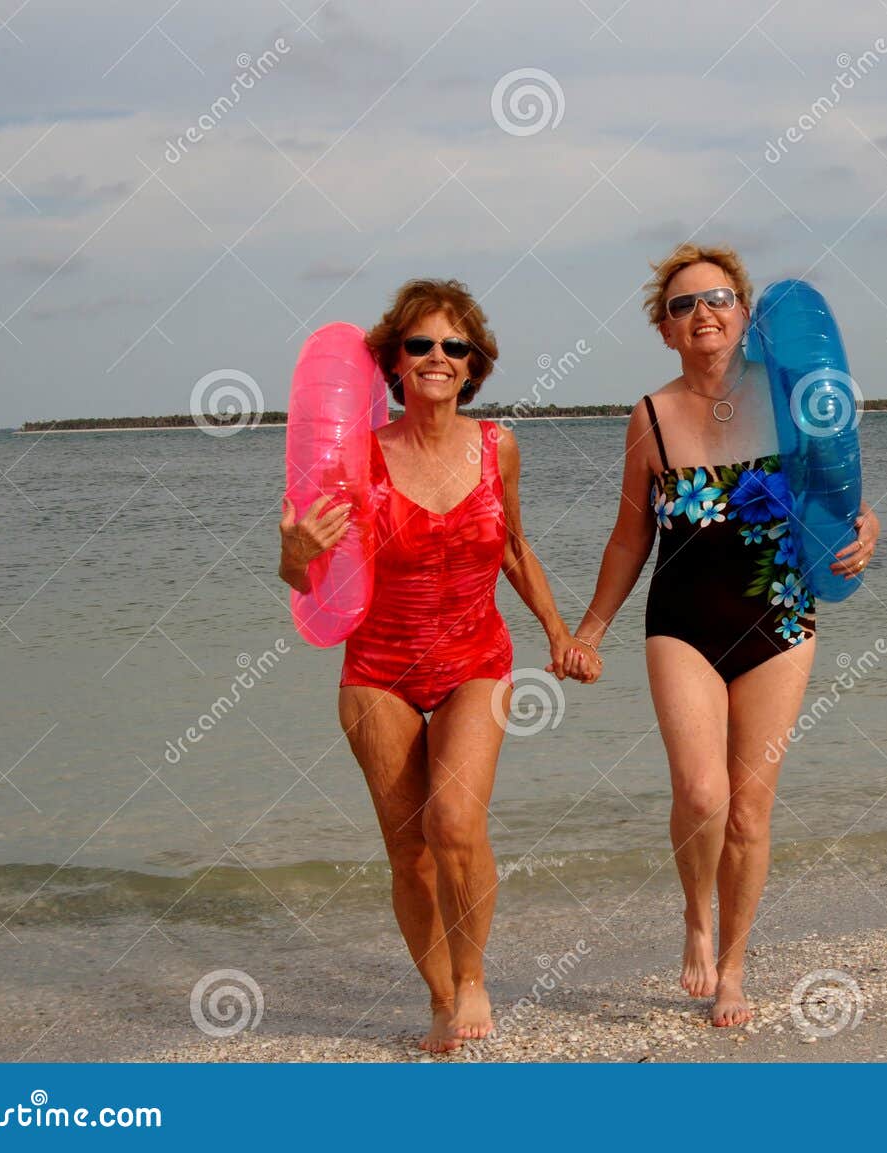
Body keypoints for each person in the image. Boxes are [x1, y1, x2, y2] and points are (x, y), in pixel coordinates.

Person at [279, 278, 599, 1053]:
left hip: (473, 661)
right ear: (393, 360)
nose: (437, 357)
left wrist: (561, 632)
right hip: (378, 668)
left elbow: (515, 550)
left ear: (473, 363)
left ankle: (472, 976)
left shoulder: (498, 446)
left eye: (453, 346)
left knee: (455, 821)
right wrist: (294, 558)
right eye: (420, 344)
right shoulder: (356, 456)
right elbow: (309, 581)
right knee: (409, 849)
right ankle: (436, 994)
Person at [563, 245, 879, 1026]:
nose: (702, 313)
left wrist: (869, 527)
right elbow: (630, 537)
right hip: (681, 621)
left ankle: (733, 964)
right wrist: (590, 628)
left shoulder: (790, 396)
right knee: (702, 794)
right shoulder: (651, 415)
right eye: (682, 305)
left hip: (781, 616)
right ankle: (693, 915)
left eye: (717, 298)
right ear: (665, 331)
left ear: (744, 313)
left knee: (749, 810)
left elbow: (839, 492)